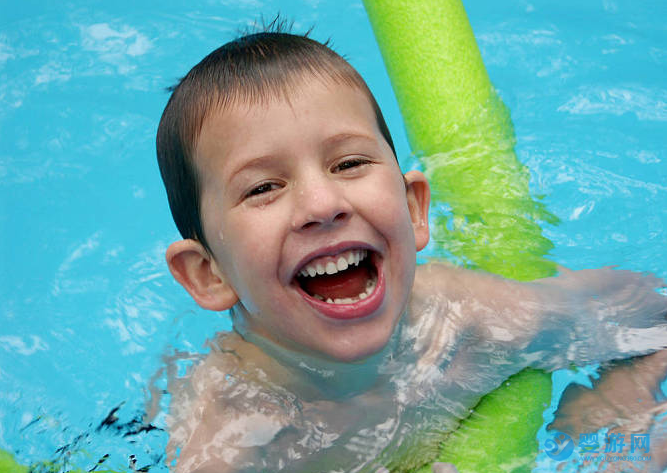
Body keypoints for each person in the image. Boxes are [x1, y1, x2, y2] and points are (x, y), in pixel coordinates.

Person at [155, 28, 667, 473]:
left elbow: (652, 313)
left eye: (349, 163)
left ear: (414, 208)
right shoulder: (231, 437)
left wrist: (628, 398)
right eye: (263, 188)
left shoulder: (469, 322)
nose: (322, 203)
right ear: (207, 274)